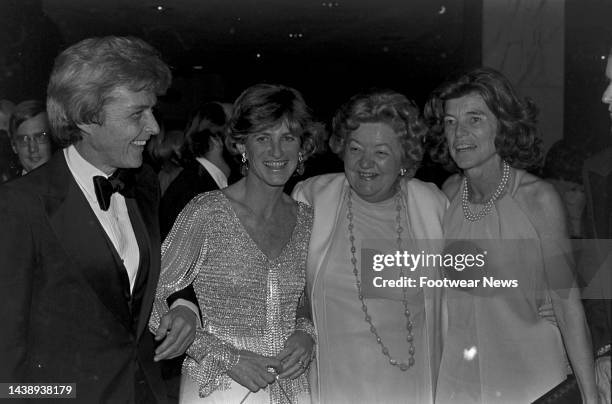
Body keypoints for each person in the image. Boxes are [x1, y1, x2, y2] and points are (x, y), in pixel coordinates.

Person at [0, 36, 198, 403]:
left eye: (152, 110)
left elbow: (160, 272)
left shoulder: (144, 184)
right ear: (86, 118)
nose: (154, 127)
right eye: (137, 114)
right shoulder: (19, 206)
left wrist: (185, 306)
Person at [424, 67, 599, 403]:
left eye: (474, 119)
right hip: (460, 380)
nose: (459, 133)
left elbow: (567, 304)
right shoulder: (447, 195)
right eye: (450, 122)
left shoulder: (538, 199)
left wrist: (590, 396)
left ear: (502, 124)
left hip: (531, 379)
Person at [150, 83, 318, 404]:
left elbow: (306, 295)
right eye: (262, 138)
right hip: (218, 388)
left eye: (288, 138)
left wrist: (305, 332)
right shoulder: (208, 212)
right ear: (241, 145)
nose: (277, 152)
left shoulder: (307, 219)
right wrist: (225, 357)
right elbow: (153, 300)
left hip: (292, 388)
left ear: (302, 147)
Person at [292, 89, 447, 403]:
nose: (365, 163)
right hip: (333, 387)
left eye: (381, 152)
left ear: (404, 157)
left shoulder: (431, 205)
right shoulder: (311, 198)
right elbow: (287, 288)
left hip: (410, 389)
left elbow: (469, 284)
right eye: (355, 148)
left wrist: (538, 297)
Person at [160, 101, 233, 240]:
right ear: (215, 140)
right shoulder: (195, 194)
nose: (243, 143)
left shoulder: (201, 182)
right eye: (235, 134)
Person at [7, 100, 55, 175]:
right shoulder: (8, 186)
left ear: (51, 139)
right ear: (14, 146)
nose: (32, 148)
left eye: (40, 137)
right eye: (24, 139)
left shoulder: (72, 182)